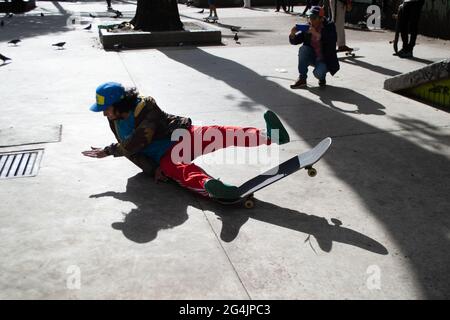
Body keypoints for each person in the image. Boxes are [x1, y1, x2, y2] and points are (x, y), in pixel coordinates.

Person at [82, 82, 290, 200]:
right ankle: (212, 187)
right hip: (163, 156)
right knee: (180, 171)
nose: (104, 114)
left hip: (180, 136)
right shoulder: (115, 121)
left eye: (106, 109)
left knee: (219, 133)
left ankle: (271, 135)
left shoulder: (145, 106)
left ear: (120, 104)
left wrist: (109, 151)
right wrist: (152, 169)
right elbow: (132, 153)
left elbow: (138, 142)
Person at [289, 6, 340, 88]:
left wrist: (316, 33)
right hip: (312, 56)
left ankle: (322, 77)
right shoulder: (307, 26)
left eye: (313, 17)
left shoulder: (330, 26)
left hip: (324, 59)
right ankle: (302, 78)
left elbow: (332, 41)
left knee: (318, 73)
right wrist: (292, 34)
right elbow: (295, 41)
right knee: (303, 49)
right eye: (309, 17)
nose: (310, 20)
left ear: (321, 18)